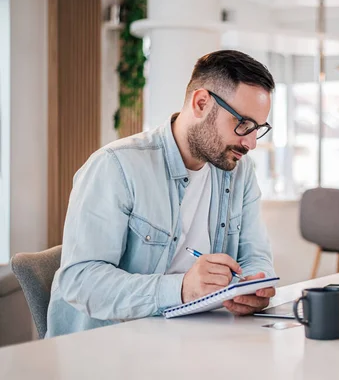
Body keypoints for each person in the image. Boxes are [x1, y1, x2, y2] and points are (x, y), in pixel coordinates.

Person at [46, 50, 277, 337]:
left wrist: (255, 285)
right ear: (201, 103)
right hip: (107, 347)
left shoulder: (239, 172)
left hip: (191, 339)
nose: (251, 143)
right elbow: (80, 281)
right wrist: (181, 288)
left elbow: (255, 256)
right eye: (243, 124)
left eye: (259, 129)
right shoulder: (116, 166)